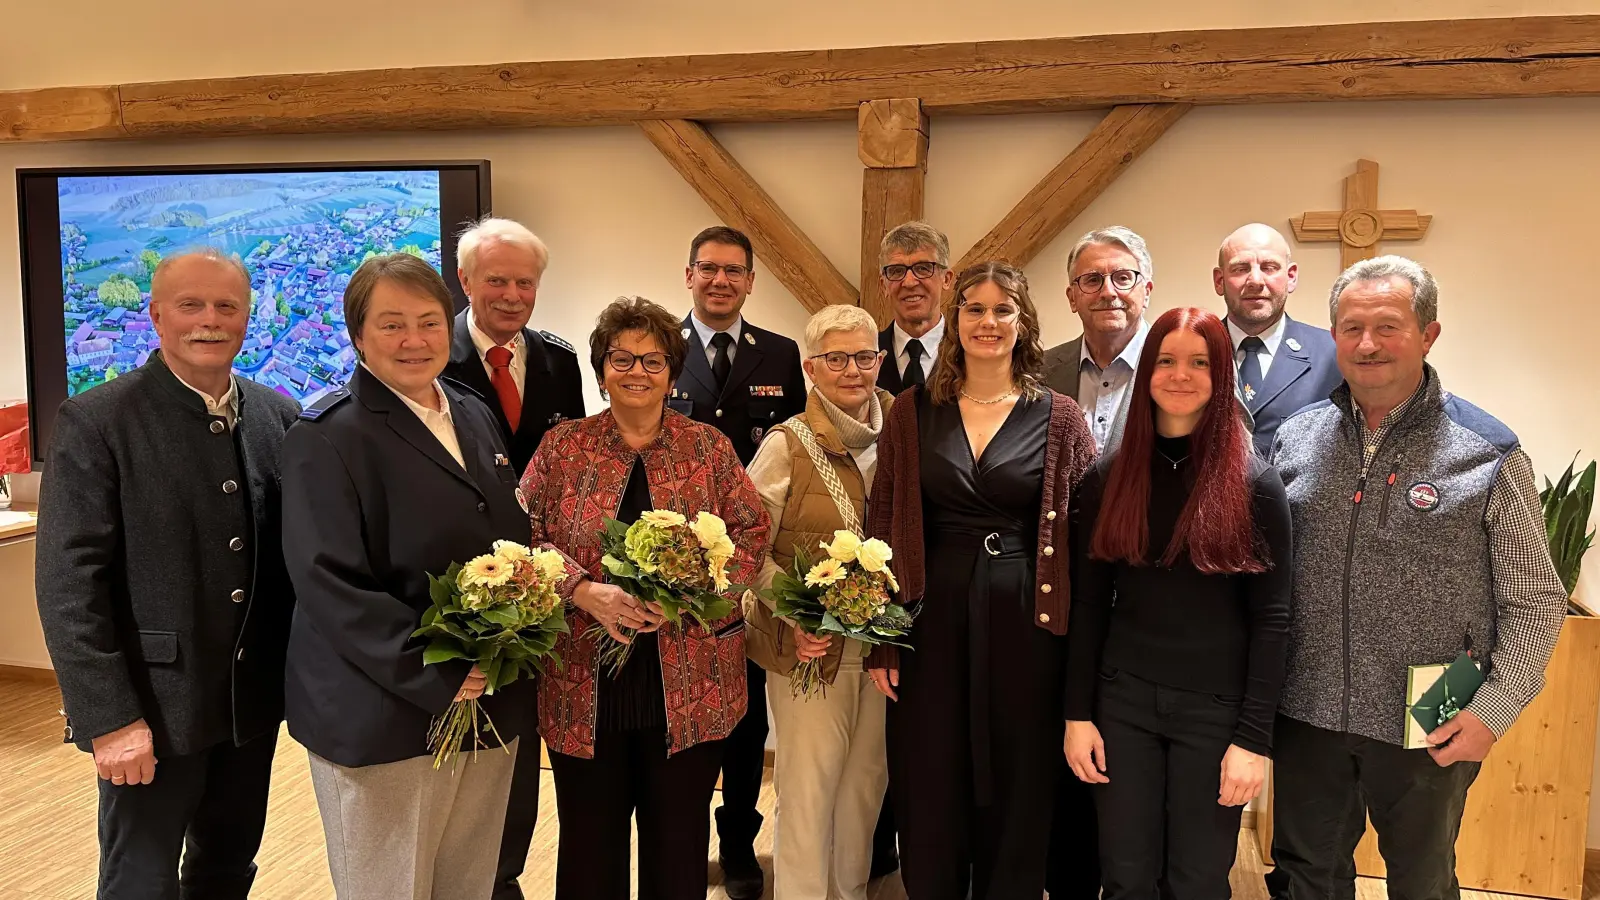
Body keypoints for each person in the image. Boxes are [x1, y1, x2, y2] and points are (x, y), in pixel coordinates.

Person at [1267, 256, 1567, 900]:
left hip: (1433, 706)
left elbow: (1535, 599)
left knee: (1421, 879)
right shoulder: (1295, 438)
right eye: (1351, 328)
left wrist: (1495, 707)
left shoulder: (1487, 451)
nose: (1367, 344)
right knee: (1304, 874)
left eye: (1388, 326)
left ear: (1428, 335)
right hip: (1306, 704)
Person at [35, 248, 301, 899]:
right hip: (149, 713)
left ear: (247, 317)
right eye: (190, 305)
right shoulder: (97, 422)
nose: (209, 320)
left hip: (249, 708)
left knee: (227, 869)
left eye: (226, 306)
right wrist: (108, 718)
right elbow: (71, 588)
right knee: (139, 881)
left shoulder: (279, 416)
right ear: (156, 315)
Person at [280, 254, 532, 900]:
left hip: (486, 702)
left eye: (428, 322)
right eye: (391, 324)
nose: (414, 340)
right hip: (383, 715)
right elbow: (330, 583)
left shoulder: (471, 410)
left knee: (467, 884)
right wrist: (443, 669)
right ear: (358, 335)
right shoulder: (329, 435)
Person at [523, 295, 771, 900]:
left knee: (677, 845)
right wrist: (582, 590)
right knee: (588, 844)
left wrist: (690, 598)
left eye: (653, 360)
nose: (637, 372)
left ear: (672, 370)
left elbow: (750, 531)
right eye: (622, 359)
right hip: (583, 677)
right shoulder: (564, 448)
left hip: (691, 679)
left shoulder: (707, 449)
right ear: (601, 368)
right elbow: (525, 537)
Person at [866, 262, 1097, 898]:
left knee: (1022, 778)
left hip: (1028, 619)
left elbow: (1082, 543)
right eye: (974, 309)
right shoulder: (912, 412)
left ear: (1023, 322)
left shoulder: (1061, 417)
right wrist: (883, 638)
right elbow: (882, 524)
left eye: (1002, 310)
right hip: (928, 620)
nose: (988, 322)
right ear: (955, 319)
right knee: (929, 773)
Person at [1063, 307, 1292, 900]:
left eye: (1199, 362)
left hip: (1216, 714)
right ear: (1147, 372)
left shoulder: (1256, 486)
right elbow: (1088, 605)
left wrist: (1254, 741)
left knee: (1197, 879)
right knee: (1126, 875)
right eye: (1166, 360)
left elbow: (1273, 620)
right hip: (1123, 705)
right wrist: (1077, 714)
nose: (1180, 375)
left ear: (1221, 376)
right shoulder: (1107, 478)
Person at [439, 215, 584, 900]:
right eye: (496, 280)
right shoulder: (432, 359)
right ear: (464, 280)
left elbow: (572, 474)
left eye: (524, 282)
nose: (511, 294)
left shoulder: (557, 361)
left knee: (520, 747)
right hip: (459, 589)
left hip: (540, 592)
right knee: (460, 753)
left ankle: (503, 880)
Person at [668, 225, 806, 897]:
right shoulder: (656, 349)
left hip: (747, 565)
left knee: (747, 717)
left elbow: (793, 453)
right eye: (709, 269)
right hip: (673, 569)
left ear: (751, 282)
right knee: (685, 718)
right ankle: (684, 839)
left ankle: (739, 843)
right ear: (688, 275)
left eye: (734, 271)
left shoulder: (780, 356)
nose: (721, 280)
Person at [744, 304, 895, 900]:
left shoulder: (901, 440)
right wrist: (796, 614)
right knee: (809, 792)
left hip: (881, 650)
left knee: (865, 788)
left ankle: (850, 892)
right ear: (811, 367)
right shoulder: (788, 445)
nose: (852, 369)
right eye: (836, 358)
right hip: (811, 649)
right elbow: (746, 546)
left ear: (879, 361)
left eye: (863, 356)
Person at [1212, 223, 1340, 458]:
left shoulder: (1333, 355)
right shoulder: (1193, 351)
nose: (1255, 281)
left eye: (1269, 267)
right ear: (1219, 281)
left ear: (1291, 277)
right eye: (1240, 268)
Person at [1043, 226, 1154, 457]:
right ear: (1072, 298)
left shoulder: (1186, 367)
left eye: (1123, 278)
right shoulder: (1040, 372)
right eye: (1092, 280)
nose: (1108, 292)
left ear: (1147, 293)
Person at [874, 220, 953, 396]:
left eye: (923, 268)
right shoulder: (865, 358)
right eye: (896, 271)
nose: (909, 282)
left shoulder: (970, 355)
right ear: (884, 285)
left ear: (946, 279)